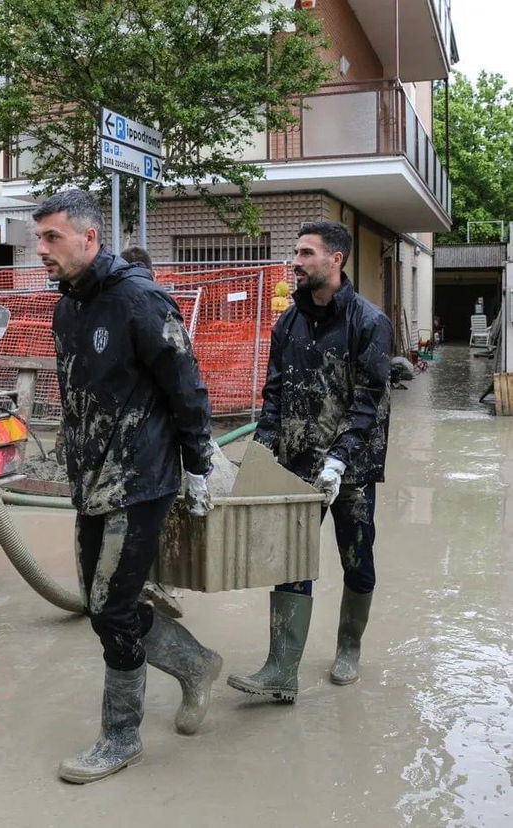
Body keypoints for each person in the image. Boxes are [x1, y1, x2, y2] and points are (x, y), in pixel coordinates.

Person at [34, 190, 222, 784]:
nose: (41, 250)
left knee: (113, 609)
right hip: (92, 479)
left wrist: (198, 464)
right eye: (38, 238)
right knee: (101, 605)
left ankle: (121, 737)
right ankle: (195, 663)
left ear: (89, 238)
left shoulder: (140, 299)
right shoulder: (67, 308)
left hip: (142, 477)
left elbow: (186, 385)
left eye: (52, 237)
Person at [227, 221, 392, 702]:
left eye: (305, 253)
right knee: (290, 561)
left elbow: (369, 401)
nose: (295, 262)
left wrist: (339, 460)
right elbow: (274, 395)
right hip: (297, 467)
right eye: (295, 252)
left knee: (356, 558)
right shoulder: (288, 322)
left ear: (334, 259)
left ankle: (349, 648)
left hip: (351, 471)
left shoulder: (368, 322)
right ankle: (282, 669)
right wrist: (260, 452)